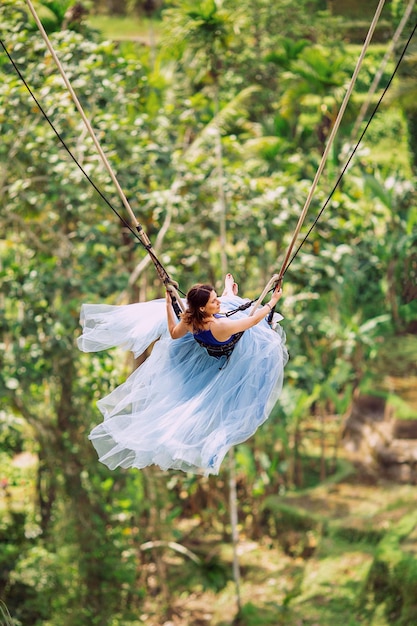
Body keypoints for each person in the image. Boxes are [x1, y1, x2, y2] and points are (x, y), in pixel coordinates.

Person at [78, 274, 288, 475]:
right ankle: (230, 295)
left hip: (207, 341)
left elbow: (173, 332)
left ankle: (229, 293)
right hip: (228, 349)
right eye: (214, 301)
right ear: (203, 308)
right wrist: (272, 302)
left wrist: (169, 306)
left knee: (230, 305)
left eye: (217, 298)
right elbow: (251, 322)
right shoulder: (220, 325)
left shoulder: (190, 319)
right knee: (262, 335)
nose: (217, 303)